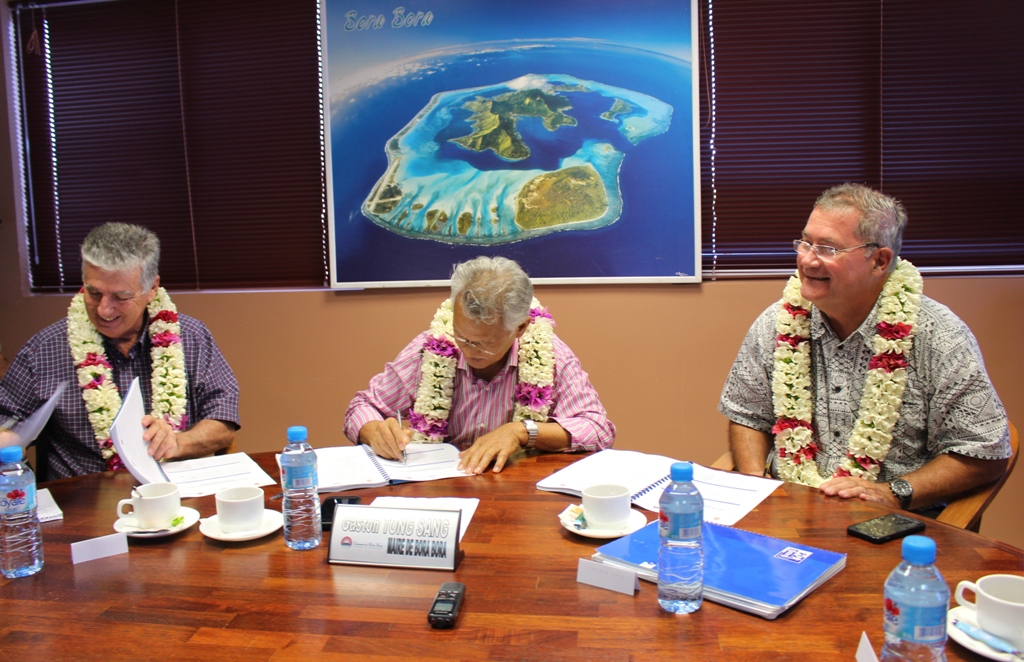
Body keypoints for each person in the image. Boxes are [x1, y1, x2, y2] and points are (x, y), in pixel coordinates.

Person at [719, 183, 1011, 512]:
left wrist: (895, 492)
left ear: (879, 261)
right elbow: (747, 416)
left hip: (888, 523)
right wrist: (756, 484)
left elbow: (985, 451)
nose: (808, 261)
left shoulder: (939, 336)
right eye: (805, 243)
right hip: (788, 511)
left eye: (827, 248)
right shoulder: (775, 323)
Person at [0, 222, 240, 478]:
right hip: (82, 502)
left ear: (152, 288)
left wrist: (177, 442)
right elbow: (7, 421)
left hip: (178, 493)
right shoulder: (44, 350)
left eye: (121, 297)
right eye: (93, 293)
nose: (104, 309)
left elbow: (223, 421)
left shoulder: (192, 337)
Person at [345, 256, 615, 474]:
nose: (469, 350)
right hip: (442, 490)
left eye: (485, 343)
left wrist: (522, 432)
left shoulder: (552, 355)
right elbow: (361, 407)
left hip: (519, 496)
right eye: (461, 335)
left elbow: (598, 430)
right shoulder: (429, 349)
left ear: (520, 328)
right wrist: (374, 432)